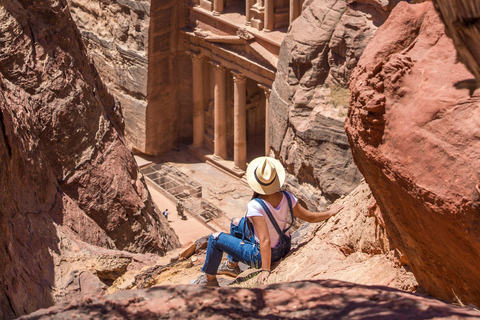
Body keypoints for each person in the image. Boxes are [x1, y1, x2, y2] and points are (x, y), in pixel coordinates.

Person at [190, 156, 344, 287]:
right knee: (236, 222)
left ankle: (209, 279)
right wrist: (330, 212)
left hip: (262, 255)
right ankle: (232, 265)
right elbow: (310, 217)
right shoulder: (287, 197)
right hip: (283, 247)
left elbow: (264, 239)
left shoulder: (255, 205)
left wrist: (265, 270)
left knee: (215, 238)